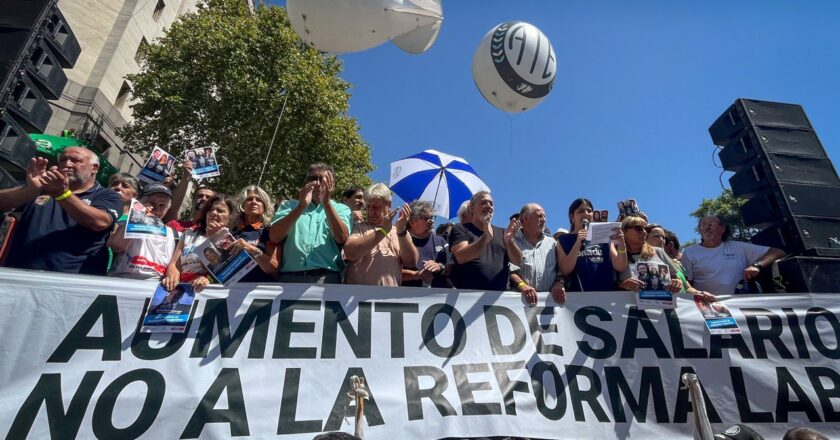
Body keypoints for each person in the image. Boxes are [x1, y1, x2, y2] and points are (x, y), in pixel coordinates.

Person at [1, 148, 122, 274]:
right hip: (18, 276)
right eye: (63, 160)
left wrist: (63, 195)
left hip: (69, 283)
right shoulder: (43, 188)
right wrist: (31, 190)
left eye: (75, 160)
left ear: (94, 168)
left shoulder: (107, 196)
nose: (67, 164)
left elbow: (99, 222)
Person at [269, 163, 351, 284]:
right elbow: (274, 237)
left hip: (327, 278)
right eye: (313, 179)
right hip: (289, 278)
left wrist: (326, 203)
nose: (317, 183)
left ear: (331, 184)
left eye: (323, 180)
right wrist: (301, 206)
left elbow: (341, 238)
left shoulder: (341, 209)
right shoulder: (289, 205)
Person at [682, 215, 786, 295]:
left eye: (711, 224)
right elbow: (687, 283)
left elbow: (777, 252)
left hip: (741, 306)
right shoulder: (690, 252)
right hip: (708, 306)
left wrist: (757, 265)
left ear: (722, 229)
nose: (706, 228)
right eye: (703, 225)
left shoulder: (738, 247)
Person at [618, 216, 715, 301]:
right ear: (624, 231)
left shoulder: (658, 252)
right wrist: (623, 285)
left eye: (646, 229)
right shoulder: (617, 257)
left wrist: (677, 283)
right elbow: (608, 286)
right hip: (633, 313)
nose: (644, 232)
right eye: (639, 228)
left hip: (665, 311)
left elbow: (678, 280)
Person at [344, 184, 417, 286]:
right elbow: (350, 253)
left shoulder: (399, 231)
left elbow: (411, 262)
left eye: (376, 207)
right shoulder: (358, 227)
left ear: (389, 205)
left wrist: (401, 231)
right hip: (357, 298)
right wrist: (383, 231)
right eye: (368, 206)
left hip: (387, 299)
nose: (370, 211)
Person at [448, 191, 522, 291]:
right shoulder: (461, 229)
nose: (488, 206)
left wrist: (509, 241)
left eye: (491, 204)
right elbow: (462, 256)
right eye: (483, 203)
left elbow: (518, 260)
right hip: (467, 297)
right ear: (472, 208)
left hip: (499, 298)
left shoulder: (503, 232)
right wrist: (485, 238)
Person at [164, 194, 235, 292]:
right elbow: (174, 263)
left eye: (220, 211)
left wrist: (208, 279)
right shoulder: (189, 234)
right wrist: (172, 276)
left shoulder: (231, 240)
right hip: (180, 288)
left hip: (205, 291)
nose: (214, 213)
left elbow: (224, 271)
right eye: (210, 210)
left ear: (230, 216)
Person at [108, 183, 177, 280]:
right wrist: (138, 215)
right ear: (139, 202)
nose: (156, 209)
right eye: (151, 203)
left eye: (162, 205)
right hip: (121, 281)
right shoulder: (123, 223)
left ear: (168, 208)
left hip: (152, 287)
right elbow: (116, 246)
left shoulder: (174, 234)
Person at [557, 198, 628, 292]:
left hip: (607, 297)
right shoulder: (563, 240)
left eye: (589, 211)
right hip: (577, 299)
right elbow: (565, 270)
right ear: (572, 217)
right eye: (580, 211)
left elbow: (620, 266)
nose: (586, 213)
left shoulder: (604, 235)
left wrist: (621, 243)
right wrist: (578, 243)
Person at [509, 203, 566, 305]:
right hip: (520, 304)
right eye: (540, 216)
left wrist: (559, 282)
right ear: (526, 218)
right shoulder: (513, 241)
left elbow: (561, 269)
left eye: (544, 217)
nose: (544, 219)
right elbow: (510, 269)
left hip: (549, 304)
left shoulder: (552, 243)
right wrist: (522, 285)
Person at [227, 185, 280, 283]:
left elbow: (274, 269)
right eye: (249, 199)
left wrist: (252, 249)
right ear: (242, 204)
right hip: (232, 292)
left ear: (264, 206)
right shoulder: (230, 232)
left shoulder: (269, 231)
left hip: (260, 292)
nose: (254, 202)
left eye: (259, 200)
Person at [402, 200, 447, 288]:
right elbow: (388, 270)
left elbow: (452, 268)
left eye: (432, 217)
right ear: (412, 221)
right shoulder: (400, 240)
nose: (432, 221)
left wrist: (440, 266)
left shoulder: (441, 242)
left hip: (434, 298)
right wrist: (415, 274)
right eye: (427, 218)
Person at [164, 157, 215, 232]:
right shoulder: (177, 225)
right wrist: (186, 178)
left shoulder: (215, 233)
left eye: (208, 197)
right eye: (200, 196)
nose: (204, 198)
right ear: (193, 199)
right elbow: (172, 210)